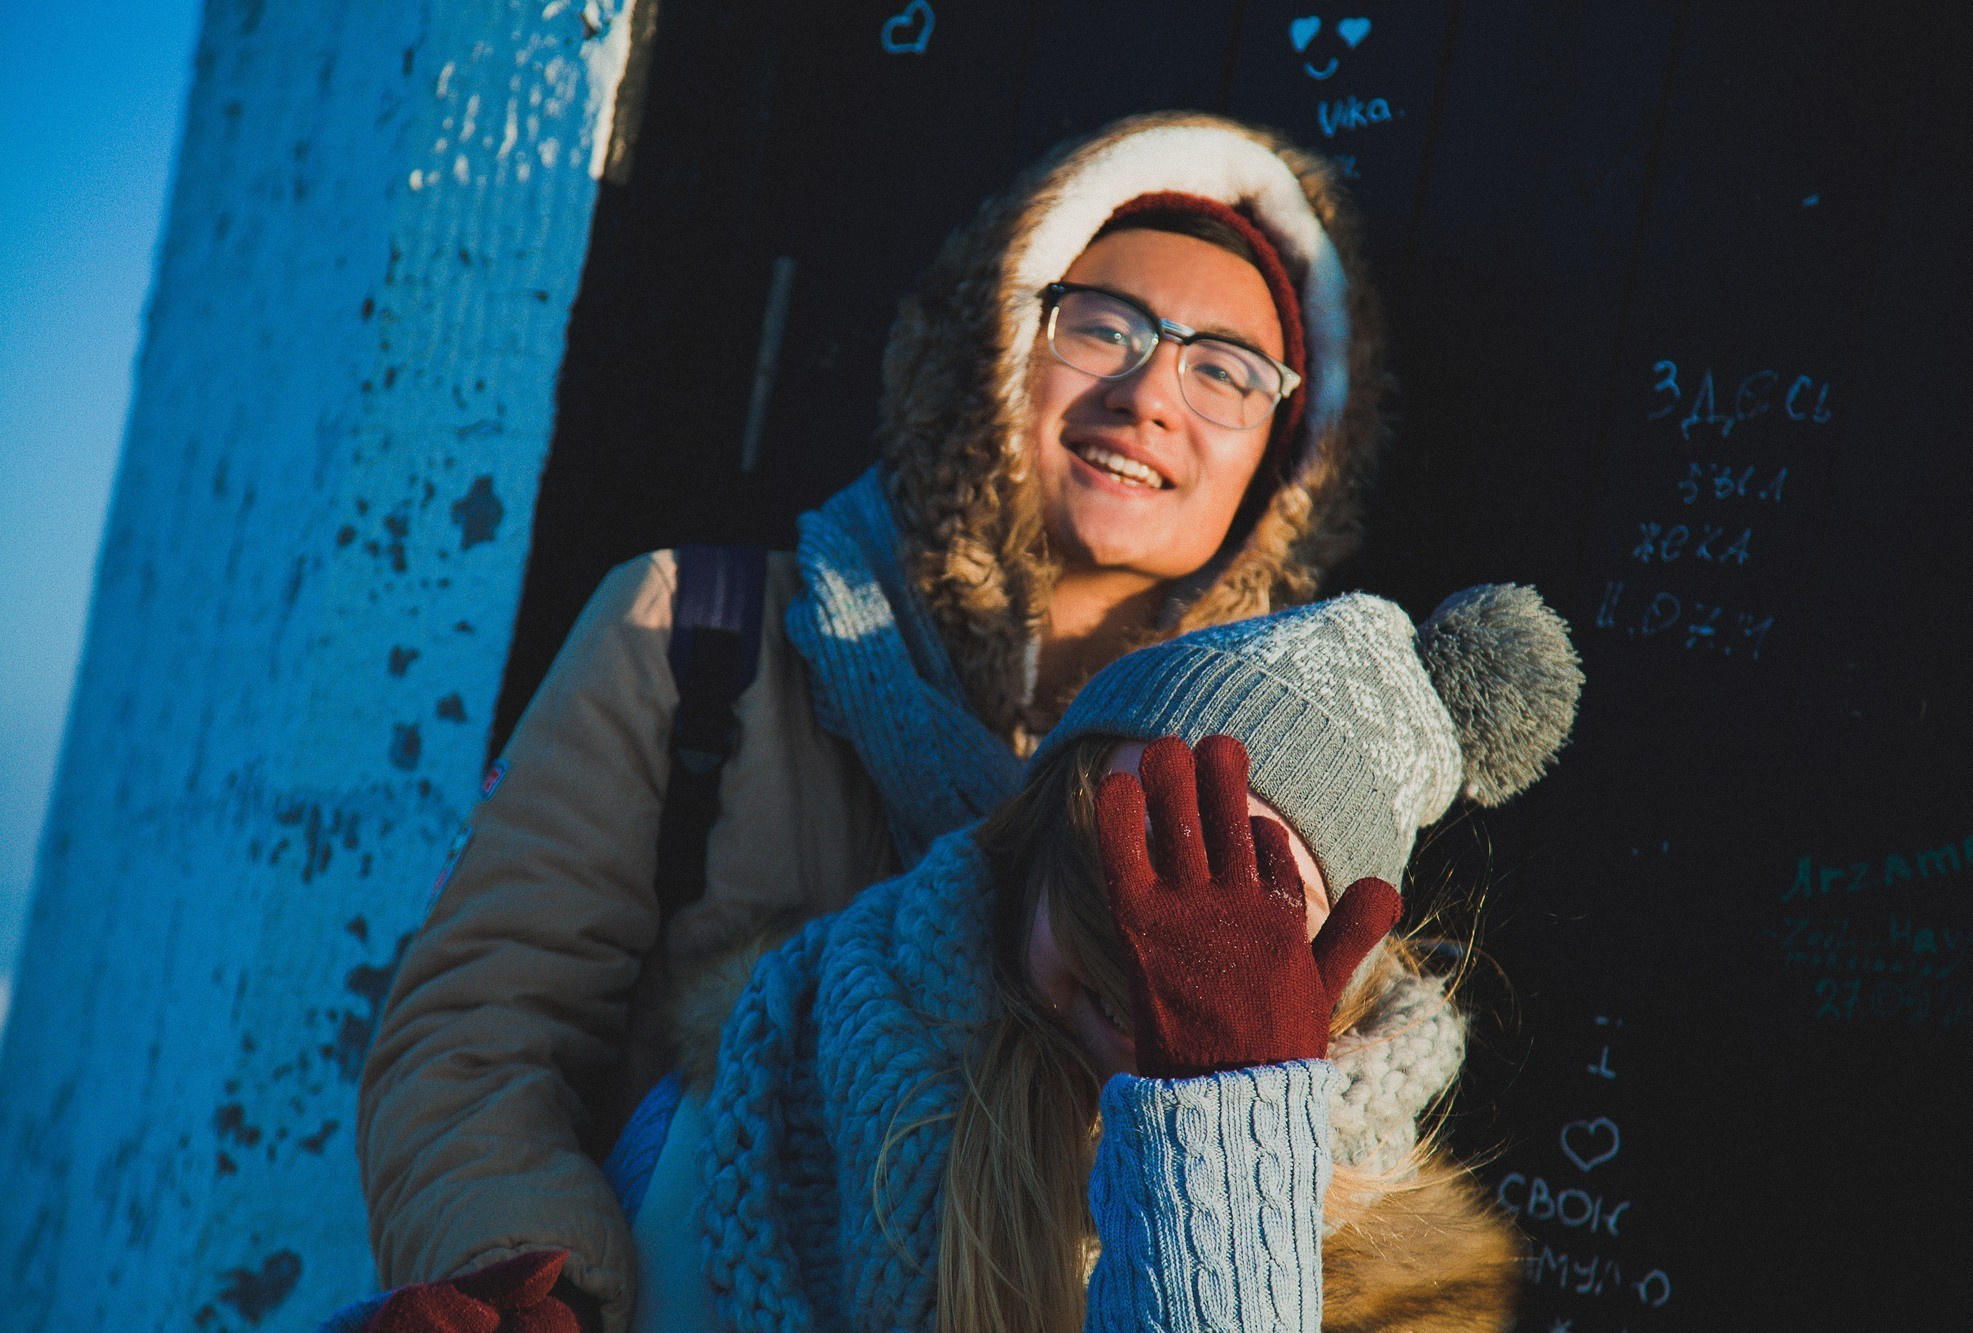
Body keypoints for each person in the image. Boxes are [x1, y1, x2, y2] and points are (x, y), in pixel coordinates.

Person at [356, 110, 1388, 1330]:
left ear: (1287, 456)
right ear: (994, 343)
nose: (1151, 394)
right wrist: (533, 1280)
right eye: (1101, 325)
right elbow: (477, 1029)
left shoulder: (1282, 776)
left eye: (1224, 368)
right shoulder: (694, 635)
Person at [625, 584, 1584, 1331]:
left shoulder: (1398, 1290)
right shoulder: (751, 1095)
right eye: (1127, 858)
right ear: (1028, 854)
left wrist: (1229, 1128)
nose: (1157, 949)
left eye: (1254, 908)